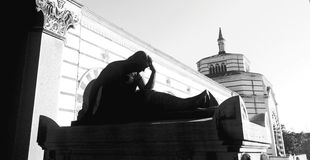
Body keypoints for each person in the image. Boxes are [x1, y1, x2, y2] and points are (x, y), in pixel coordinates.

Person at [80, 51, 218, 123]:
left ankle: (192, 106)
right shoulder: (115, 68)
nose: (142, 71)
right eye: (142, 68)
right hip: (112, 111)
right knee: (147, 98)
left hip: (128, 108)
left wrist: (154, 72)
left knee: (152, 101)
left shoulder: (136, 73)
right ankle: (190, 104)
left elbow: (147, 91)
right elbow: (96, 86)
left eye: (144, 69)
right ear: (134, 61)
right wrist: (89, 114)